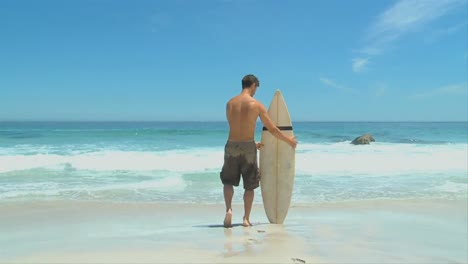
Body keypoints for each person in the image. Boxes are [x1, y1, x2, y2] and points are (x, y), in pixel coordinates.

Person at [220, 74, 297, 228]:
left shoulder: (230, 104)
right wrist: (288, 141)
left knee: (228, 181)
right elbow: (272, 129)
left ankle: (228, 210)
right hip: (248, 147)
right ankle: (246, 219)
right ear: (254, 85)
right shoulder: (256, 105)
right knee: (250, 185)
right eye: (256, 88)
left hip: (231, 145)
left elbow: (233, 127)